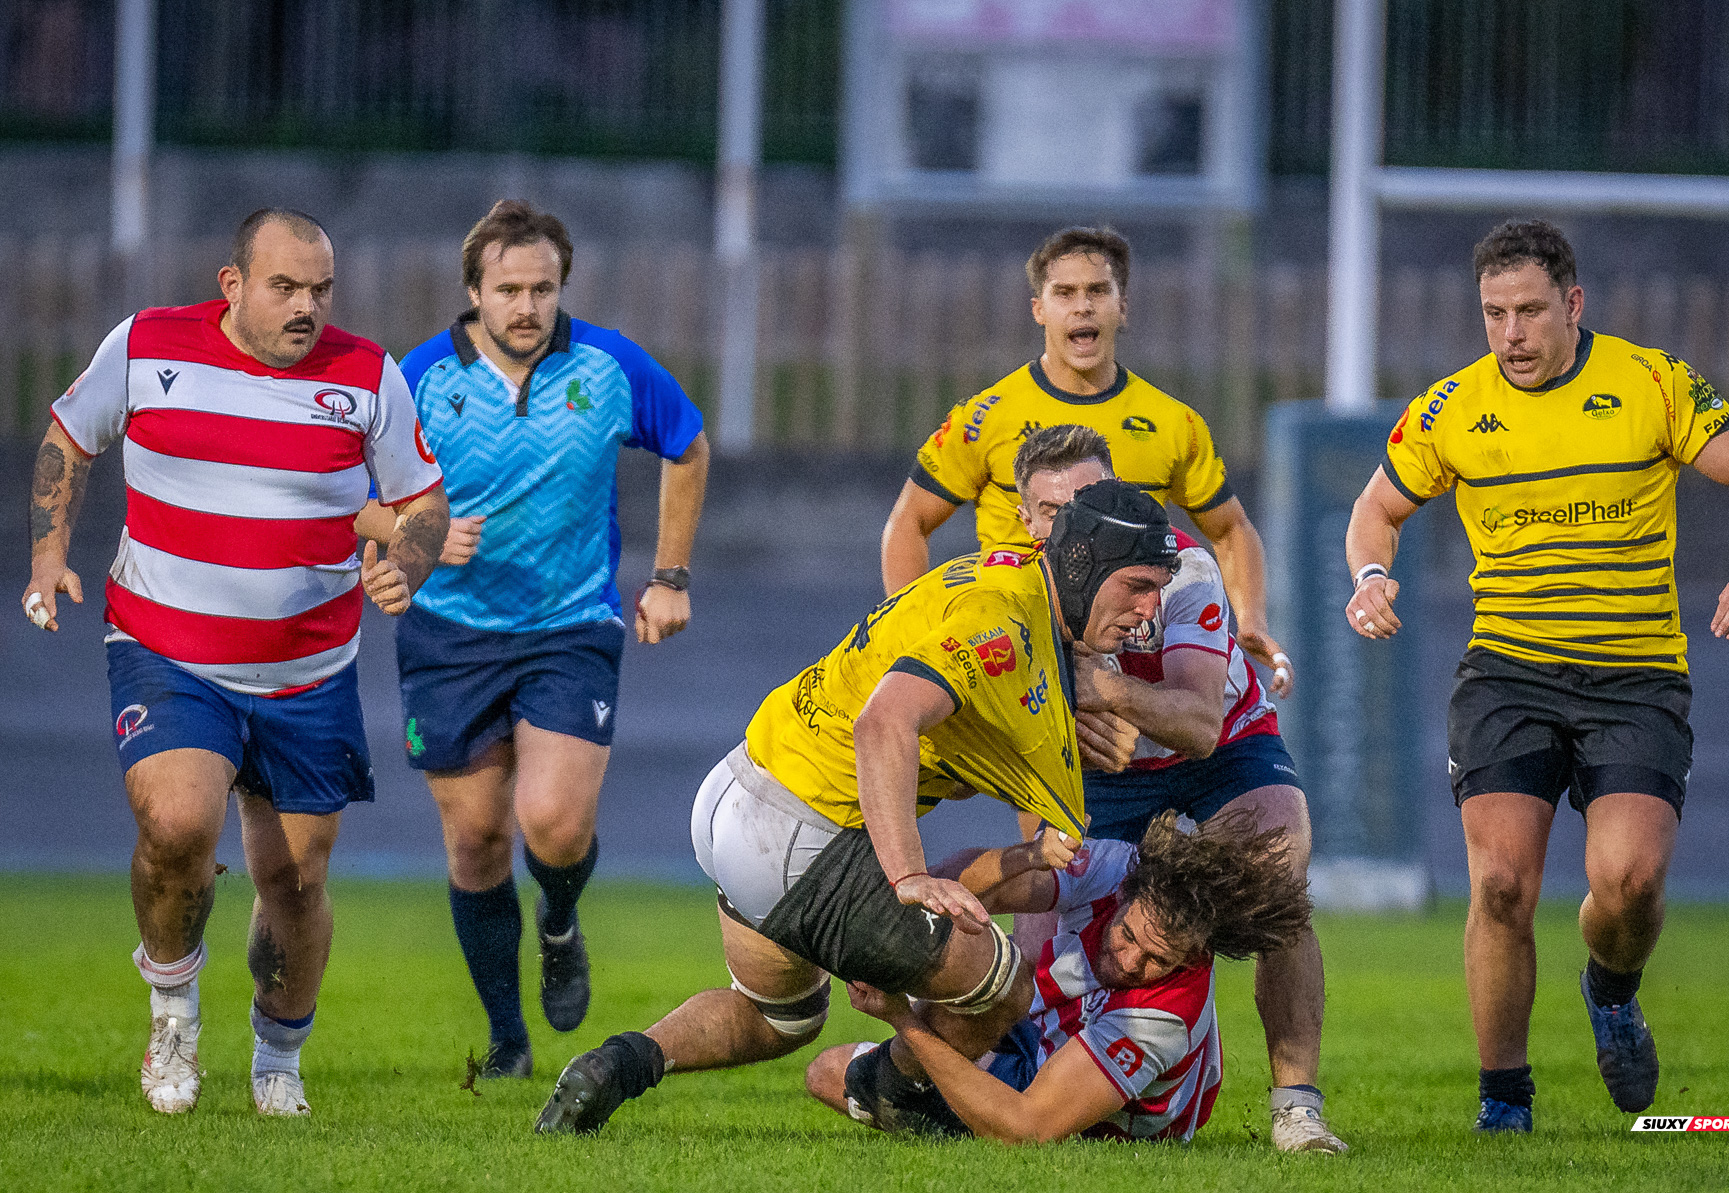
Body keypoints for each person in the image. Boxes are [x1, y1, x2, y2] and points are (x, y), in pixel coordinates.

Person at [533, 479, 1179, 1135]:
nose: (1150, 610)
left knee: (779, 1016)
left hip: (739, 788)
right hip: (801, 829)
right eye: (1138, 585)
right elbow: (885, 720)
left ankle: (617, 1064)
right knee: (1004, 987)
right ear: (1082, 564)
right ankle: (889, 1096)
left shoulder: (1001, 576)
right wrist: (907, 875)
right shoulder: (1004, 627)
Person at [1344, 219, 1729, 1133]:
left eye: (1530, 311)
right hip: (1508, 673)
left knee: (1628, 883)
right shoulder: (1452, 409)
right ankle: (1503, 1100)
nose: (1511, 333)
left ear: (1573, 304)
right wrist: (1370, 574)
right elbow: (1375, 508)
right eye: (1494, 313)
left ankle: (1611, 987)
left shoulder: (1650, 383)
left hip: (1636, 676)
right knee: (1502, 885)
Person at [20, 209, 448, 1116]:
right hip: (168, 652)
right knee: (177, 825)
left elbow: (422, 504)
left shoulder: (369, 376)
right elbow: (68, 436)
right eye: (285, 287)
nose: (306, 307)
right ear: (233, 285)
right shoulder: (145, 346)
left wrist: (403, 566)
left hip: (309, 673)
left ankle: (278, 1056)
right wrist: (48, 557)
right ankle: (172, 1008)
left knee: (293, 880)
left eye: (321, 290)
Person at [362, 200, 709, 1078]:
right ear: (473, 291)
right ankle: (509, 1040)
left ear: (562, 288)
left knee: (550, 823)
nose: (526, 306)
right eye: (508, 289)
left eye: (542, 288)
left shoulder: (608, 365)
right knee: (476, 838)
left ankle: (559, 918)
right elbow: (365, 497)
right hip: (450, 634)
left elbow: (689, 442)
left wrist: (669, 577)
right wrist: (419, 531)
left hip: (569, 628)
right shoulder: (420, 378)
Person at [1007, 424, 1346, 1153]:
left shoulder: (1180, 567)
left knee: (1275, 874)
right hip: (1102, 771)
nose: (1078, 522)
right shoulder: (1007, 586)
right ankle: (1035, 1074)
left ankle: (1297, 1105)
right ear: (1026, 520)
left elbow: (1197, 720)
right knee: (1038, 893)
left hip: (1220, 745)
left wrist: (1105, 689)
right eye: (1055, 510)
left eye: (1093, 498)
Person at [879, 225, 1293, 698]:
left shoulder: (1173, 423)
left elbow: (1231, 529)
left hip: (1126, 660)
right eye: (1064, 292)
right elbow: (909, 521)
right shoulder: (985, 416)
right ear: (1039, 309)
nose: (1082, 306)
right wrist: (908, 630)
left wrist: (1252, 618)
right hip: (1017, 649)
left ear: (1122, 306)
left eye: (1098, 290)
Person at [805, 813, 1311, 1144]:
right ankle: (922, 1097)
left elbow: (1028, 1128)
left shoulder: (1161, 1017)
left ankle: (927, 1108)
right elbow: (957, 882)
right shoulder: (1119, 867)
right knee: (828, 1069)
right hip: (1042, 1037)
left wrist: (902, 1019)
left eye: (1159, 959)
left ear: (1194, 953)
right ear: (1126, 895)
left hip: (1088, 1118)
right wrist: (1029, 854)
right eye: (1128, 936)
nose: (1132, 963)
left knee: (830, 1076)